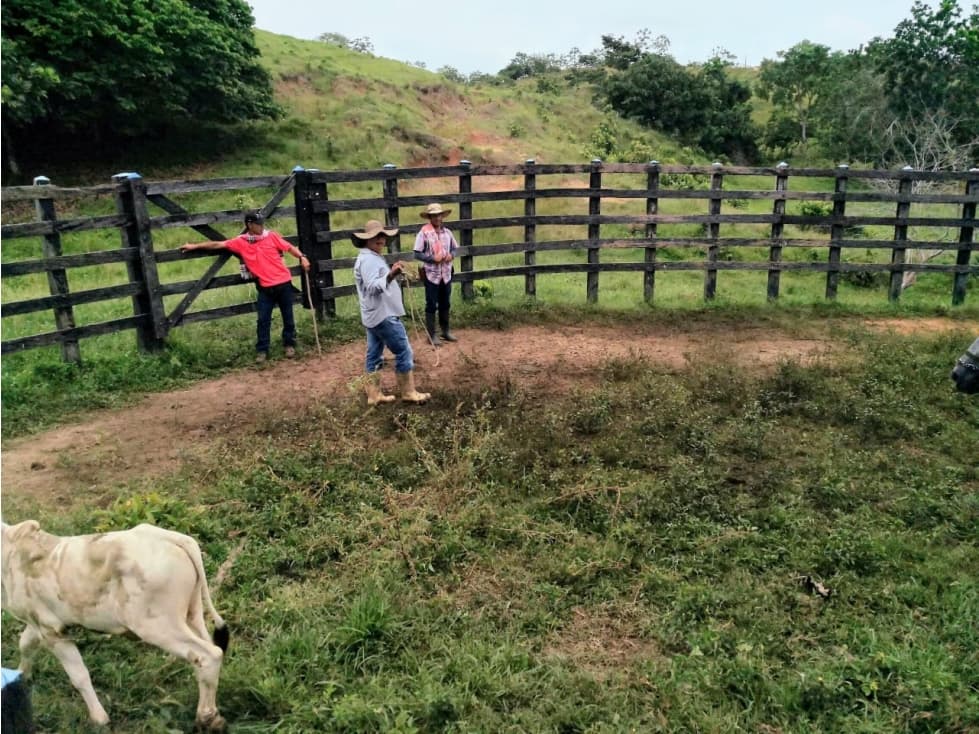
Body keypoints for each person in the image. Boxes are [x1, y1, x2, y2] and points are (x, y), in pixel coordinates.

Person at [181, 212, 310, 362]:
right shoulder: (241, 242)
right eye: (258, 224)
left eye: (262, 223)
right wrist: (194, 246)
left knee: (288, 317)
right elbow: (217, 244)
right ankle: (262, 350)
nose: (262, 227)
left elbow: (289, 247)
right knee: (263, 319)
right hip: (265, 287)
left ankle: (289, 344)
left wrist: (302, 257)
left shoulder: (271, 236)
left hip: (283, 283)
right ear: (249, 225)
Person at [353, 219, 431, 404]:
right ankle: (408, 392)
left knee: (374, 354)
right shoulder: (369, 260)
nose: (380, 240)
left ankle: (374, 395)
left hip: (374, 314)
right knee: (403, 350)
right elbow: (372, 287)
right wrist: (391, 274)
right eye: (376, 237)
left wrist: (393, 273)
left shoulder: (369, 258)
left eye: (382, 236)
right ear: (367, 240)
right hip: (383, 314)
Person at [413, 202, 459, 346]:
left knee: (445, 302)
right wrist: (432, 259)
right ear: (430, 217)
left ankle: (445, 331)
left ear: (442, 216)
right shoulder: (424, 233)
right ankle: (431, 335)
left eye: (439, 215)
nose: (437, 218)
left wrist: (451, 256)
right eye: (434, 216)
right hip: (431, 275)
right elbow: (417, 253)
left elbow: (455, 249)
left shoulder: (448, 233)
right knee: (431, 304)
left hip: (446, 274)